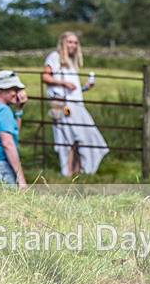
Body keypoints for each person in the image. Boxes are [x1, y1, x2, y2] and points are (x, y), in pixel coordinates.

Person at [41, 31, 109, 176]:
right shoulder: (55, 57)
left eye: (75, 42)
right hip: (64, 105)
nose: (73, 45)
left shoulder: (71, 62)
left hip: (75, 104)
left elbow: (72, 90)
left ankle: (80, 170)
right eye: (70, 42)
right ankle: (69, 173)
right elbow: (45, 77)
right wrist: (63, 82)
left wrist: (84, 87)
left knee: (84, 137)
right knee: (69, 139)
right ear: (62, 43)